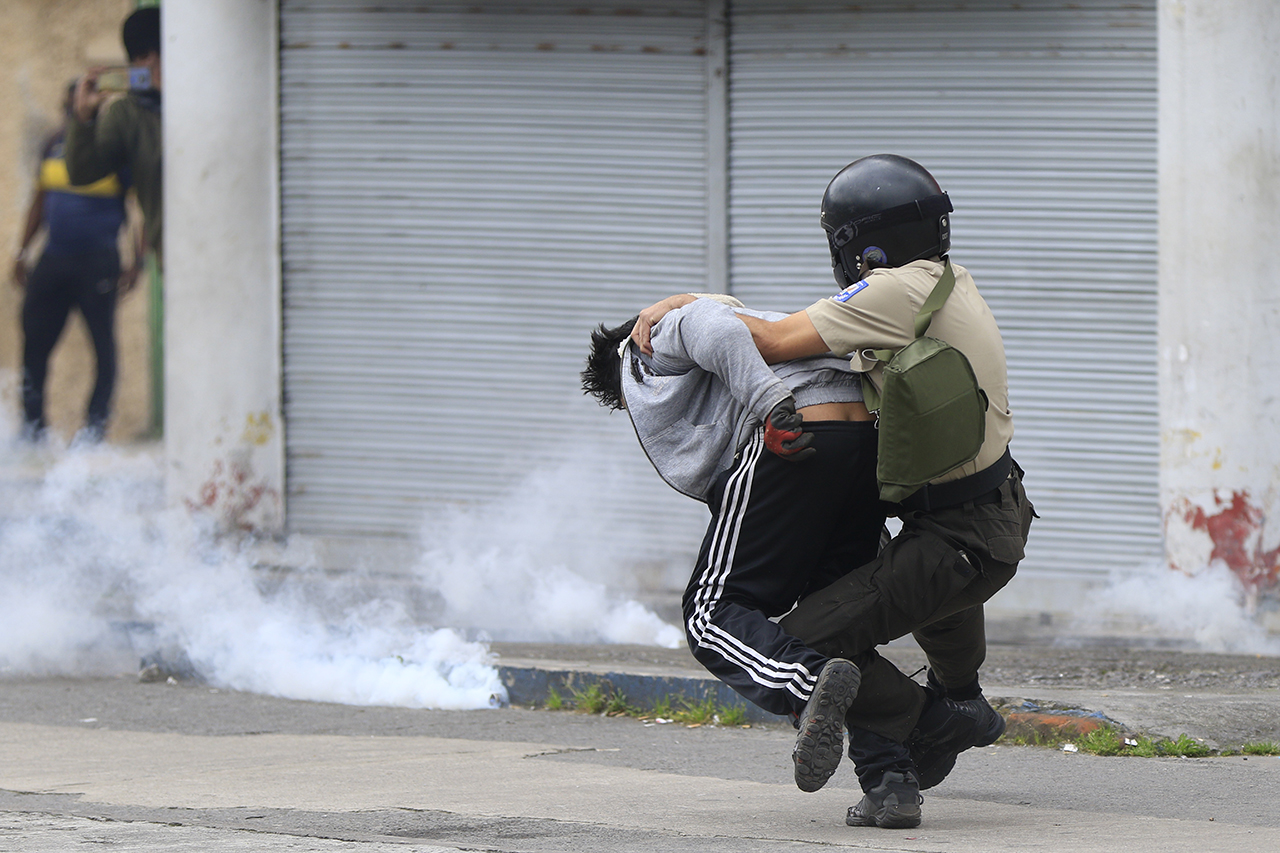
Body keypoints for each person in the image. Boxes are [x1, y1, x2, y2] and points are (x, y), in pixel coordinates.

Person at [630, 154, 1036, 829]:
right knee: (882, 604)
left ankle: (936, 722)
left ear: (859, 244)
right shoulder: (945, 282)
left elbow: (773, 338)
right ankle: (935, 727)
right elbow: (809, 320)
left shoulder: (890, 294)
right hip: (989, 523)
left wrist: (689, 305)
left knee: (806, 641)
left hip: (951, 540)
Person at [582, 294, 885, 794]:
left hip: (796, 437)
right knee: (833, 620)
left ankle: (805, 684)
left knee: (710, 613)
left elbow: (718, 332)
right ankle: (892, 773)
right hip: (860, 442)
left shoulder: (652, 337)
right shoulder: (749, 315)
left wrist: (771, 407)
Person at [11, 84, 142, 443]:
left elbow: (139, 207)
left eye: (86, 107)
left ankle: (94, 430)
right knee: (34, 342)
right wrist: (22, 251)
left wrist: (136, 262)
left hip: (98, 260)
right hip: (54, 257)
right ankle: (33, 426)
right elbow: (39, 201)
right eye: (73, 107)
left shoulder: (114, 151)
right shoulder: (52, 144)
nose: (78, 113)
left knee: (103, 346)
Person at [66, 6, 162, 259]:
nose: (151, 63)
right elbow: (82, 172)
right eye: (141, 55)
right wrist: (84, 118)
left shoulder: (205, 97)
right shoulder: (127, 113)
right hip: (175, 254)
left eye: (158, 54)